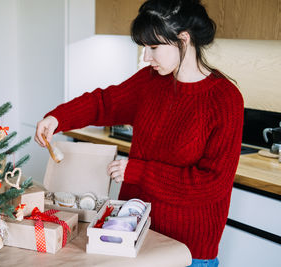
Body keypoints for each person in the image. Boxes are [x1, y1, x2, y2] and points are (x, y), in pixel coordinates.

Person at [35, 0, 243, 266]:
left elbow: (211, 185)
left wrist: (139, 171)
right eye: (144, 48)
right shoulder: (151, 81)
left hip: (187, 250)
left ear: (183, 39)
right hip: (130, 234)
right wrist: (58, 118)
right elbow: (104, 103)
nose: (146, 57)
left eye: (153, 47)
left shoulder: (224, 99)